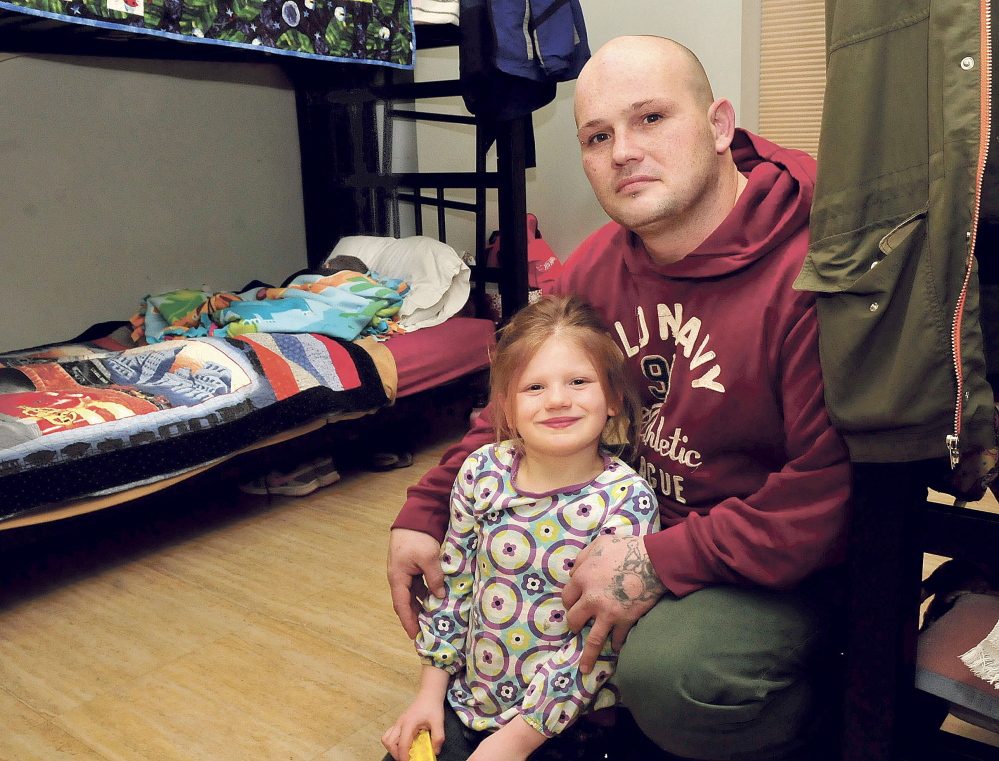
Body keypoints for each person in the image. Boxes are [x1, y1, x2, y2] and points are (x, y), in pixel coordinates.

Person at [388, 35, 852, 761]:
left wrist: (657, 563)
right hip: (624, 528)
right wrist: (424, 509)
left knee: (671, 676)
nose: (623, 151)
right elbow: (510, 408)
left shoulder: (812, 269)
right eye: (597, 136)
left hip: (777, 566)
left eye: (650, 119)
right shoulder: (595, 266)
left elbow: (825, 498)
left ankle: (825, 710)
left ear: (720, 124)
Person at [381, 294, 659, 761]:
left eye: (577, 381)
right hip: (469, 707)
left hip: (568, 728)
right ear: (505, 409)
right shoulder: (480, 472)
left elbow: (598, 649)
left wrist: (515, 741)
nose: (557, 400)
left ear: (612, 398)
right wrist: (429, 695)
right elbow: (454, 591)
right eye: (534, 388)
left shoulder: (627, 503)